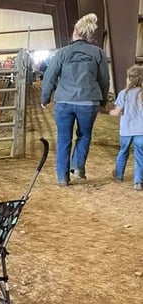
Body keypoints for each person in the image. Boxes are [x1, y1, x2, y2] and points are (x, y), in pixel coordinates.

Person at [41, 13, 110, 186]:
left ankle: (62, 177)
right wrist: (102, 101)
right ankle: (78, 166)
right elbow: (104, 79)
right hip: (89, 101)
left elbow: (50, 75)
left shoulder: (63, 53)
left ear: (74, 32)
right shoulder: (98, 53)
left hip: (64, 101)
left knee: (64, 137)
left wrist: (45, 97)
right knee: (84, 134)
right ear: (89, 34)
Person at [110, 64, 143, 191]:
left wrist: (110, 112)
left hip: (126, 131)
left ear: (129, 78)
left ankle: (119, 176)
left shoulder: (123, 94)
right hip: (141, 131)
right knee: (140, 156)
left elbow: (117, 111)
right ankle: (138, 182)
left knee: (123, 152)